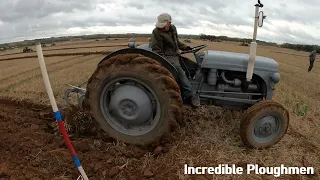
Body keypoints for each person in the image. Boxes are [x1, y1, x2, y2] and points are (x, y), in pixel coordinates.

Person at [151, 13, 200, 108]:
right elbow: (157, 51)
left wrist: (187, 47)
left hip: (176, 54)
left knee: (193, 66)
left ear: (169, 23)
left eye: (164, 24)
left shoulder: (173, 28)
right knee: (180, 72)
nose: (162, 27)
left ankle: (188, 87)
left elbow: (176, 42)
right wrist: (167, 63)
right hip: (166, 57)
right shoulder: (156, 32)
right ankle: (190, 95)